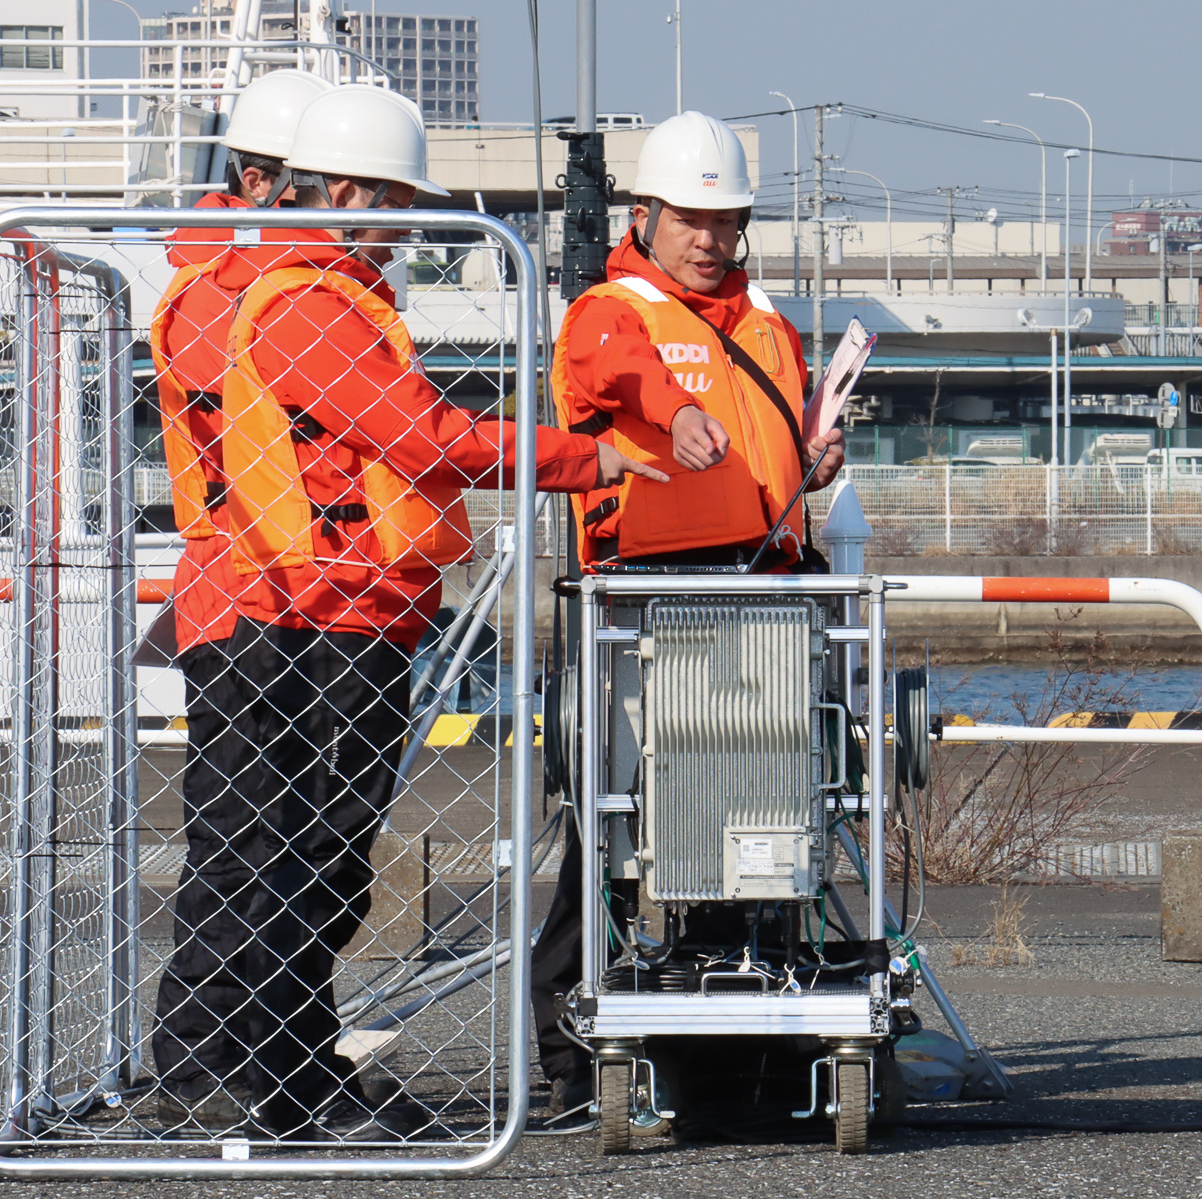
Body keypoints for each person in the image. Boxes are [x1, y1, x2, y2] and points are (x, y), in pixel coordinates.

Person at [204, 83, 663, 1141]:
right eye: (404, 199)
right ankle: (292, 1092)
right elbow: (421, 439)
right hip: (319, 623)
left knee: (316, 864)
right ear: (354, 189)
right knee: (310, 866)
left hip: (339, 615)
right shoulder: (311, 305)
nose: (414, 222)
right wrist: (580, 457)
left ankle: (296, 1080)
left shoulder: (324, 295)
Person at [530, 110, 846, 1113]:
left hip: (764, 596)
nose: (711, 239)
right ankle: (579, 1063)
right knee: (618, 833)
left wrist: (813, 464)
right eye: (692, 218)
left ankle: (744, 1056)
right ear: (646, 213)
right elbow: (621, 371)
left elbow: (772, 453)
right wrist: (677, 413)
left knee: (755, 826)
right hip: (644, 603)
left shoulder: (769, 327)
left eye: (728, 220)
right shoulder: (609, 308)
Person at [148, 68, 332, 1132]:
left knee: (289, 845)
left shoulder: (256, 279)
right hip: (250, 599)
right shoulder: (232, 290)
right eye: (327, 183)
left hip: (291, 599)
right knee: (246, 840)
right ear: (267, 180)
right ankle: (200, 1063)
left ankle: (285, 1064)